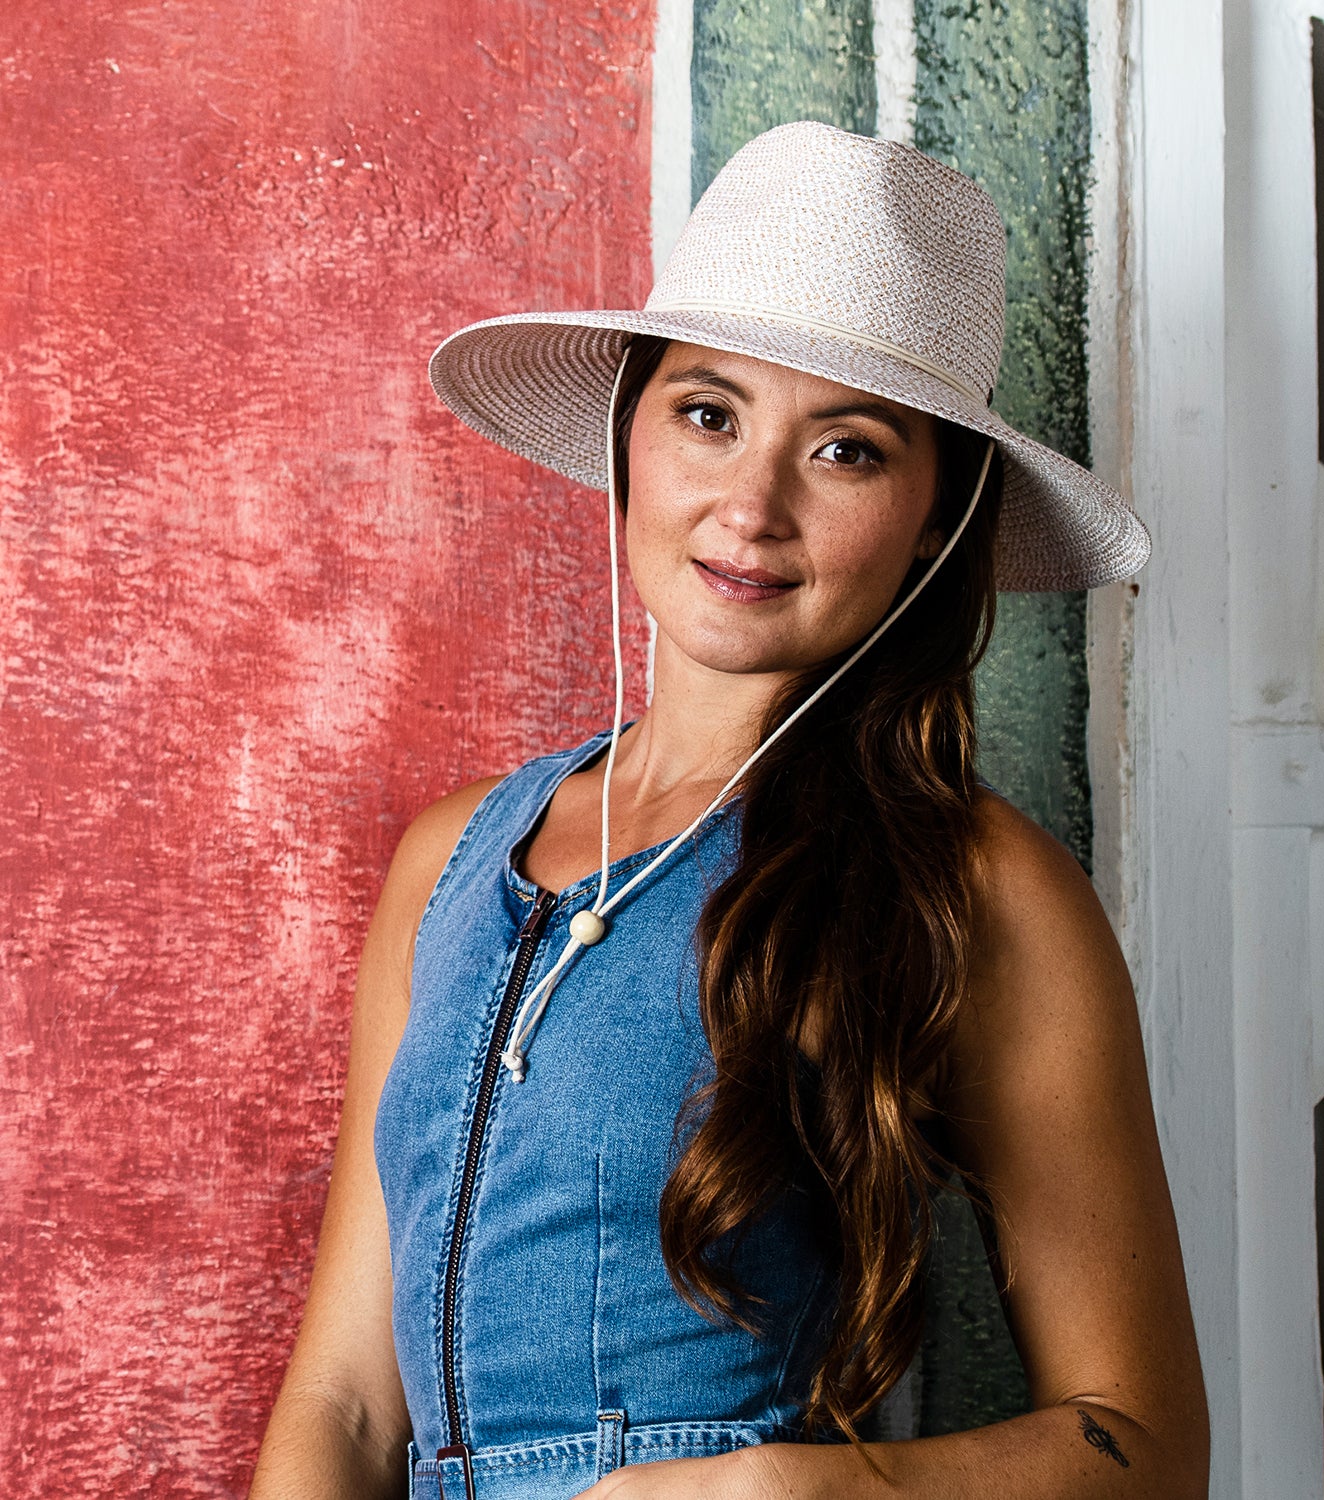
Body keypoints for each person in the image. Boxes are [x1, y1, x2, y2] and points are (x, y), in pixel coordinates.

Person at [249, 120, 1209, 1500]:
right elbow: (343, 1405)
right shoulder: (449, 858)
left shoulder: (974, 888)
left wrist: (794, 1491)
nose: (749, 506)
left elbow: (1149, 1446)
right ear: (630, 434)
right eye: (708, 415)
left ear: (937, 516)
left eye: (849, 452)